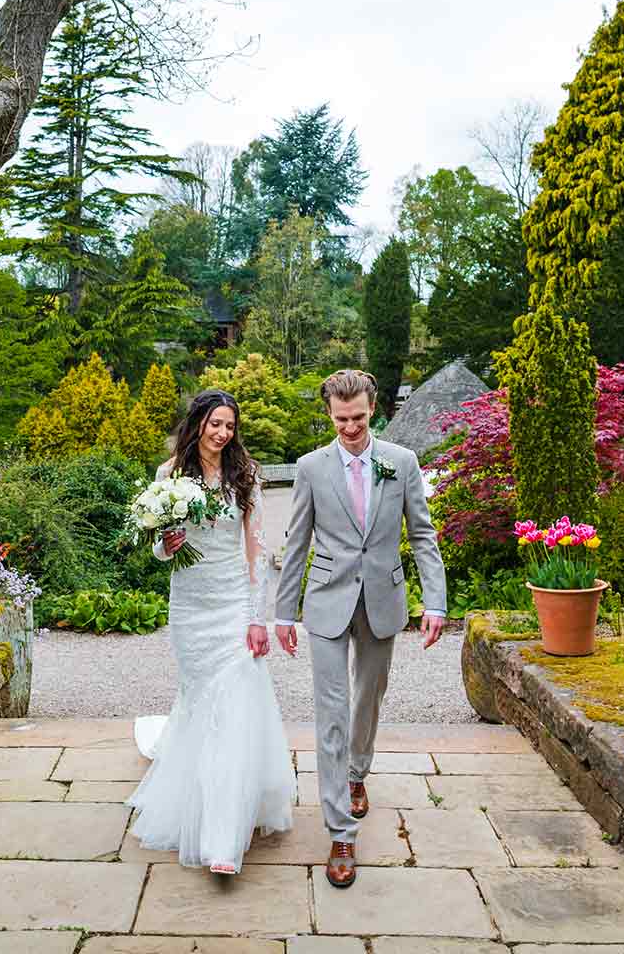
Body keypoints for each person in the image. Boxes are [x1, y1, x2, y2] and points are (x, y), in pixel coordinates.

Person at [273, 369, 447, 889]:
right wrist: (284, 613)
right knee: (331, 712)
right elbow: (297, 543)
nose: (350, 427)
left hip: (383, 599)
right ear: (329, 415)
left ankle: (356, 774)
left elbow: (421, 533)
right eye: (340, 418)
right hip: (326, 603)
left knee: (368, 696)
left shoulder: (401, 462)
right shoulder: (310, 467)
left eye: (359, 417)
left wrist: (434, 602)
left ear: (373, 410)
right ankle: (340, 833)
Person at [127, 390, 295, 874]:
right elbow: (159, 553)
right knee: (202, 703)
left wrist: (255, 616)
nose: (223, 433)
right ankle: (197, 800)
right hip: (191, 606)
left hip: (232, 603)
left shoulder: (245, 477)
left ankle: (223, 837)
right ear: (198, 422)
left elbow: (256, 548)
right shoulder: (168, 476)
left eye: (229, 426)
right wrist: (167, 543)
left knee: (235, 704)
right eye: (215, 424)